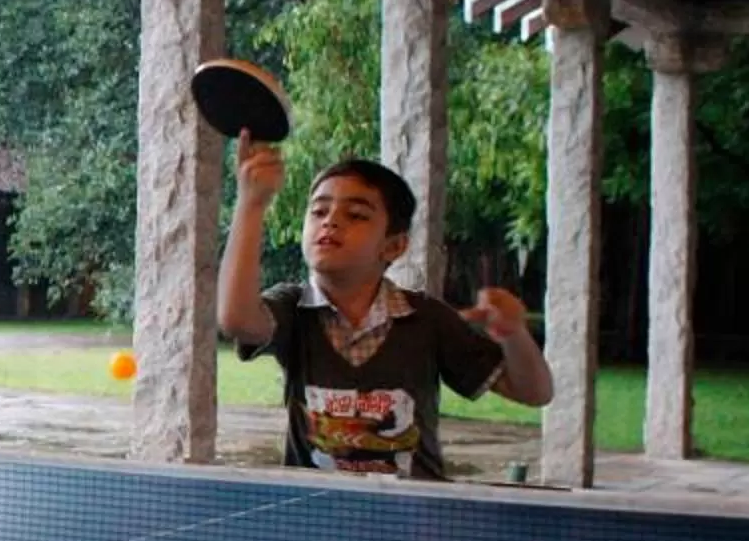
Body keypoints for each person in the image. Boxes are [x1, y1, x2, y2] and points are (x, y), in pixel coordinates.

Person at [217, 134, 553, 479]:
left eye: (356, 215)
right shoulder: (293, 309)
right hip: (317, 507)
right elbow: (236, 320)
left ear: (393, 247)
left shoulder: (429, 320)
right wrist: (251, 204)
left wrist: (514, 334)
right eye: (319, 211)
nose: (330, 221)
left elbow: (535, 392)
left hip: (415, 507)